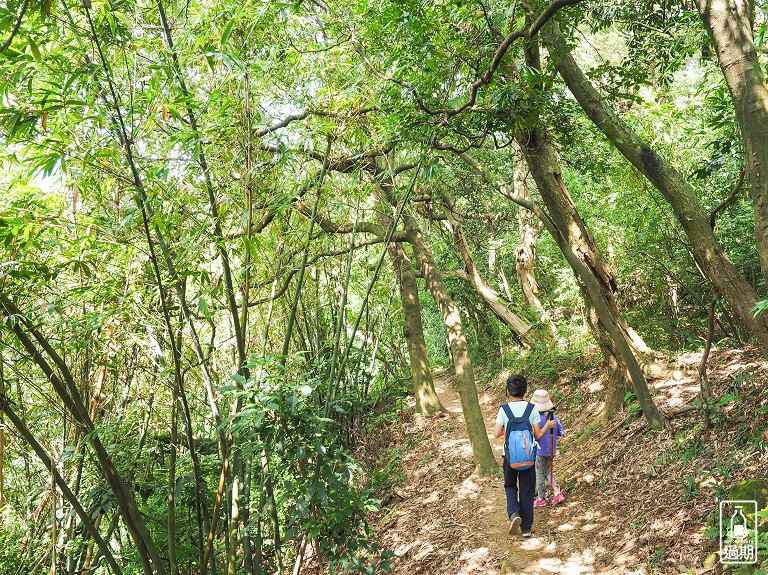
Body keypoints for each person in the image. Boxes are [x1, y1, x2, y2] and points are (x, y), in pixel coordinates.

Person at [493, 374, 556, 538]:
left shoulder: (504, 409)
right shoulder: (531, 409)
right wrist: (546, 426)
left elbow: (496, 433)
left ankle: (514, 513)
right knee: (527, 490)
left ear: (508, 391)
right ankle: (526, 528)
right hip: (529, 456)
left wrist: (508, 431)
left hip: (509, 457)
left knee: (510, 485)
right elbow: (537, 435)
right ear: (526, 390)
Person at [530, 389, 566, 508]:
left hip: (540, 451)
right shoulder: (553, 417)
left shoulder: (535, 419)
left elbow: (535, 435)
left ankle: (541, 498)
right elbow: (562, 431)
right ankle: (556, 492)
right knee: (547, 471)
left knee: (540, 474)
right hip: (551, 450)